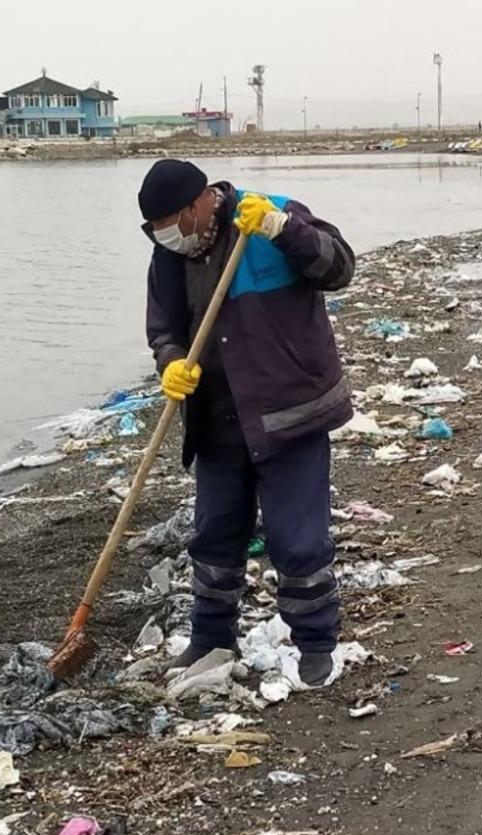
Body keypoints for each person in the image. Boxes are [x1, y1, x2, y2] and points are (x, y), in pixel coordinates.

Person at [138, 159, 355, 687]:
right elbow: (163, 327)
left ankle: (316, 642)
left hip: (289, 413)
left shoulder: (271, 216)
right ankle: (211, 638)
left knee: (299, 540)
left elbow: (340, 269)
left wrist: (286, 232)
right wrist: (171, 363)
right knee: (214, 537)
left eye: (170, 221)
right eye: (153, 229)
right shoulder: (170, 255)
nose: (164, 235)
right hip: (215, 418)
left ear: (199, 204)